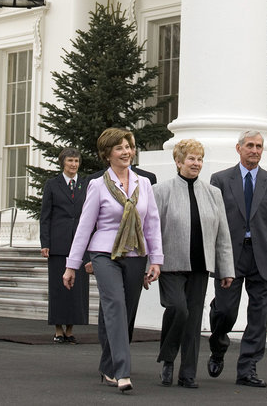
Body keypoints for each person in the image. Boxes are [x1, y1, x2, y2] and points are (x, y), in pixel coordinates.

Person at [63, 128, 163, 393]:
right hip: (104, 254)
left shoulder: (143, 184)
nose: (126, 152)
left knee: (124, 315)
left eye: (128, 146)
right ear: (107, 154)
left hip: (135, 254)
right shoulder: (98, 185)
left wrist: (156, 259)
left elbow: (151, 223)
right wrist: (71, 265)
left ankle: (107, 365)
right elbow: (85, 227)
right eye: (119, 148)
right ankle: (122, 371)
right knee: (115, 306)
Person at [208, 130, 267, 388]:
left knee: (258, 315)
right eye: (250, 145)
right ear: (239, 148)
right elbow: (214, 223)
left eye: (259, 146)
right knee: (225, 311)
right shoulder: (220, 180)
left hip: (264, 258)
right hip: (229, 256)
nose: (255, 150)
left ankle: (248, 368)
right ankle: (218, 345)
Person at [153, 139, 234, 389]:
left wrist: (226, 268)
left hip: (201, 266)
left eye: (199, 159)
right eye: (191, 159)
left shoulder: (213, 193)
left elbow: (223, 235)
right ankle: (168, 359)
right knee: (179, 310)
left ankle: (187, 373)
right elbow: (151, 230)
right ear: (178, 162)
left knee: (194, 320)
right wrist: (150, 262)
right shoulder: (161, 191)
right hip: (170, 265)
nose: (196, 163)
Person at [39, 147, 89, 343]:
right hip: (58, 243)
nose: (73, 165)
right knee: (59, 288)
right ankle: (58, 329)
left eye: (76, 161)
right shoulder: (52, 185)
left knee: (77, 289)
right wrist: (45, 243)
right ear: (63, 163)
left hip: (80, 243)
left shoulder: (85, 184)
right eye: (70, 161)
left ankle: (70, 329)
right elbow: (46, 216)